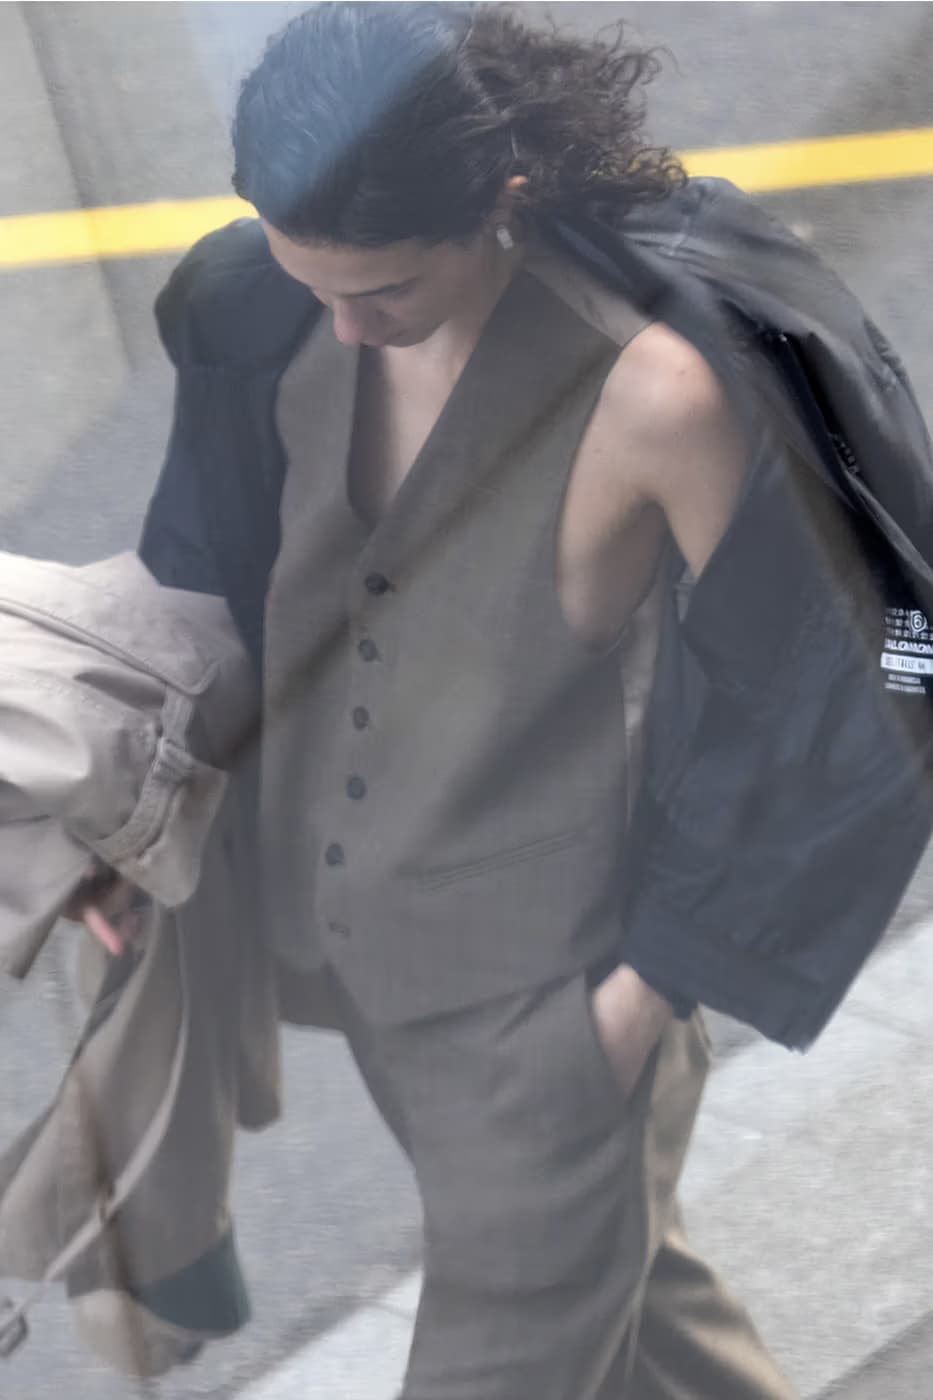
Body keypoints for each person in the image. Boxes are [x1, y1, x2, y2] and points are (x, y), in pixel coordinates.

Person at [84, 3, 833, 1395]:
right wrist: (141, 829)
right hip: (370, 968)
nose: (344, 327)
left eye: (383, 293)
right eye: (311, 282)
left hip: (550, 1003)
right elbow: (213, 585)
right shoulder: (268, 314)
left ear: (503, 197)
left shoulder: (657, 392)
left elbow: (799, 708)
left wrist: (644, 995)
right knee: (645, 1315)